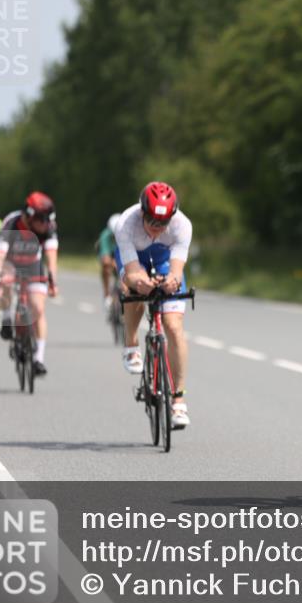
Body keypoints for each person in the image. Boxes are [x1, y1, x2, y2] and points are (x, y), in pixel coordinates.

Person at [114, 182, 193, 430]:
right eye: (152, 223)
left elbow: (177, 270)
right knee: (134, 289)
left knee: (174, 326)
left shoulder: (182, 225)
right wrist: (141, 282)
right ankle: (130, 344)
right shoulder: (126, 224)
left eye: (163, 223)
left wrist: (171, 281)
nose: (158, 228)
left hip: (164, 260)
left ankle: (178, 400)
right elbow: (134, 272)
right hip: (134, 259)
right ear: (142, 213)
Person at [0, 192, 60, 376]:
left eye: (47, 221)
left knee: (38, 309)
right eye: (41, 220)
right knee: (4, 282)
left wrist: (53, 280)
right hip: (10, 262)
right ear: (29, 217)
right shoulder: (11, 224)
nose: (44, 225)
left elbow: (51, 256)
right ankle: (7, 317)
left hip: (33, 264)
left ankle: (38, 358)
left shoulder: (49, 226)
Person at [97, 213, 122, 309]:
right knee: (106, 267)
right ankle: (107, 294)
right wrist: (113, 263)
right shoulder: (105, 236)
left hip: (121, 256)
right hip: (110, 257)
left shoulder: (128, 234)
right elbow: (105, 258)